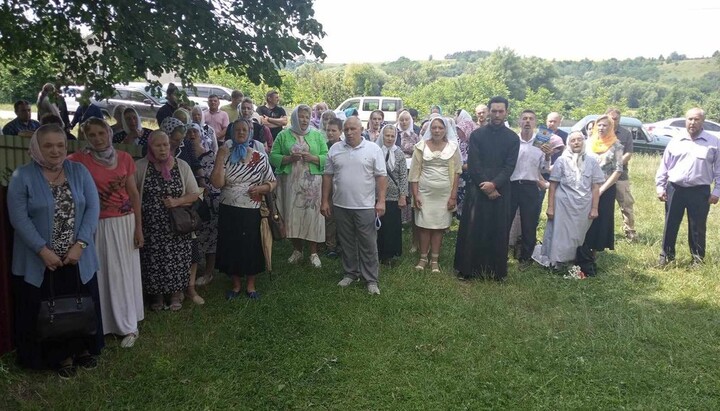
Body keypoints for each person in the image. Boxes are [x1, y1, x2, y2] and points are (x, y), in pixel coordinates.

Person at [7, 123, 103, 378]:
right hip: (40, 260)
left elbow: (93, 209)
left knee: (79, 305)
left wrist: (81, 244)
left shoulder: (79, 171)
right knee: (48, 309)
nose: (55, 151)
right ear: (37, 147)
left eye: (60, 145)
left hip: (77, 257)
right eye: (48, 145)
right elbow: (18, 218)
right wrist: (42, 250)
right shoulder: (22, 176)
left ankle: (83, 350)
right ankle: (58, 357)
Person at [68, 118, 143, 348]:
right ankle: (104, 323)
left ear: (109, 133)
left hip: (123, 222)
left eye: (102, 133)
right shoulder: (77, 161)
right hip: (94, 224)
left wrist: (139, 226)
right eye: (92, 135)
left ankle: (128, 324)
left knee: (122, 273)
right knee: (100, 273)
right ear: (86, 137)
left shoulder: (124, 158)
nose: (98, 139)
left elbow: (133, 193)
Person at [454, 96, 519, 281]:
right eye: (494, 111)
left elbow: (509, 166)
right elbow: (474, 164)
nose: (497, 114)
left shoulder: (512, 138)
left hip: (501, 189)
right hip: (478, 187)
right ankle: (467, 270)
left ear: (507, 112)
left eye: (501, 111)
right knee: (473, 229)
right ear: (489, 111)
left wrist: (495, 184)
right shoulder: (477, 135)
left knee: (498, 230)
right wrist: (486, 185)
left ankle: (496, 271)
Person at [210, 118, 276, 300]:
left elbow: (272, 181)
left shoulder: (260, 157)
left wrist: (262, 188)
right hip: (228, 208)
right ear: (231, 133)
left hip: (251, 208)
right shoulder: (224, 154)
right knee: (231, 245)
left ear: (250, 133)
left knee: (250, 246)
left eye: (244, 130)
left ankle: (251, 284)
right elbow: (217, 183)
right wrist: (221, 156)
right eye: (237, 130)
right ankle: (236, 284)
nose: (240, 133)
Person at [135, 130, 201, 311]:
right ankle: (156, 296)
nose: (163, 149)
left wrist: (177, 201)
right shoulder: (140, 166)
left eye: (165, 145)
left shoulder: (182, 166)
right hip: (151, 226)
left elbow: (195, 194)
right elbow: (132, 196)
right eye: (158, 145)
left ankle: (175, 295)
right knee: (152, 260)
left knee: (178, 260)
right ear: (150, 147)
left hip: (177, 225)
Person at [321, 117, 387, 295]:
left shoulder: (373, 149)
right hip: (341, 204)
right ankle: (350, 272)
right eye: (347, 129)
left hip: (365, 206)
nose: (349, 132)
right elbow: (327, 175)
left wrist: (381, 201)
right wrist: (324, 200)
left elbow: (381, 176)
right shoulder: (335, 149)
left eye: (353, 129)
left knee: (368, 243)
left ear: (361, 129)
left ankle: (371, 279)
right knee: (347, 242)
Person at [655, 107, 720, 266]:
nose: (692, 122)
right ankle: (666, 257)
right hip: (675, 188)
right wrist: (660, 186)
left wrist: (717, 191)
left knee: (697, 226)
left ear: (702, 121)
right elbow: (664, 165)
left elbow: (719, 169)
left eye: (696, 119)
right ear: (686, 120)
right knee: (670, 223)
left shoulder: (713, 142)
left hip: (700, 191)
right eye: (690, 119)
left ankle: (697, 259)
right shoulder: (676, 140)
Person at [532, 132, 603, 269]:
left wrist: (594, 208)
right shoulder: (561, 161)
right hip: (562, 205)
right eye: (573, 140)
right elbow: (553, 185)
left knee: (577, 235)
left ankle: (574, 262)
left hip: (583, 206)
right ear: (568, 144)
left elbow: (595, 187)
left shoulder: (592, 162)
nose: (576, 142)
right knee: (559, 235)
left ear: (584, 142)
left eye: (579, 140)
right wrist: (550, 207)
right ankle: (557, 262)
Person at [269, 105, 328, 267]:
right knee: (292, 215)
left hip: (312, 186)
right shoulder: (283, 135)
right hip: (290, 184)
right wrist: (288, 159)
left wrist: (313, 158)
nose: (304, 120)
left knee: (313, 216)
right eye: (301, 116)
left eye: (307, 117)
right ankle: (297, 250)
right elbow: (273, 157)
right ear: (295, 117)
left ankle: (314, 253)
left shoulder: (317, 135)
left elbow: (326, 157)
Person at [409, 117, 461, 272]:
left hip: (444, 194)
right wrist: (415, 194)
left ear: (446, 130)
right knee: (424, 226)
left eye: (440, 128)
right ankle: (423, 258)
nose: (437, 130)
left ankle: (435, 261)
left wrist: (453, 196)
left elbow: (457, 172)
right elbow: (414, 174)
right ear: (430, 130)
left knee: (438, 227)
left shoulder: (453, 147)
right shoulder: (421, 147)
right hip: (424, 192)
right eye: (434, 128)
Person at [508, 110, 551, 268]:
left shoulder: (541, 144)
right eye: (524, 119)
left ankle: (525, 258)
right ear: (519, 122)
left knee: (529, 223)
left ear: (535, 122)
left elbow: (545, 169)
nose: (527, 121)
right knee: (505, 220)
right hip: (511, 186)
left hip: (530, 187)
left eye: (530, 119)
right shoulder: (512, 141)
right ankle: (501, 254)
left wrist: (547, 156)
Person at [580, 114, 624, 271]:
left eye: (605, 125)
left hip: (606, 188)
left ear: (611, 127)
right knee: (584, 216)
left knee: (600, 218)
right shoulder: (588, 143)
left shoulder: (617, 145)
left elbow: (618, 170)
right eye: (599, 125)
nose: (601, 128)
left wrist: (602, 188)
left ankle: (593, 251)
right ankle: (580, 247)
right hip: (586, 187)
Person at [376, 124, 408, 264]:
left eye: (392, 136)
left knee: (392, 225)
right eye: (387, 135)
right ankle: (377, 252)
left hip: (394, 196)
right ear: (382, 136)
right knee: (378, 225)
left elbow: (402, 176)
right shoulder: (375, 151)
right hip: (378, 195)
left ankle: (389, 254)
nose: (389, 138)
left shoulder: (399, 153)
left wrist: (403, 195)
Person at [606, 108, 637, 241]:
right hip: (602, 175)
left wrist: (617, 165)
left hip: (621, 174)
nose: (614, 121)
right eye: (611, 118)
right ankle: (606, 233)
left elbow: (628, 154)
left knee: (626, 204)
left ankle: (630, 232)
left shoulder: (625, 134)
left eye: (616, 119)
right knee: (604, 205)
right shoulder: (600, 131)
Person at [323, 118, 344, 257]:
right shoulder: (323, 146)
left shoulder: (344, 147)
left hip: (341, 187)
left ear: (340, 132)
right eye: (328, 130)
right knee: (329, 216)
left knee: (342, 218)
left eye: (333, 130)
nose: (330, 133)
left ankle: (342, 244)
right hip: (328, 186)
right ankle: (330, 245)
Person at [454, 109, 478, 219]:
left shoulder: (476, 144)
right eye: (458, 130)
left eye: (461, 130)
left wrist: (464, 166)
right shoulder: (459, 142)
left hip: (471, 177)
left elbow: (479, 162)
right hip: (459, 177)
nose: (459, 133)